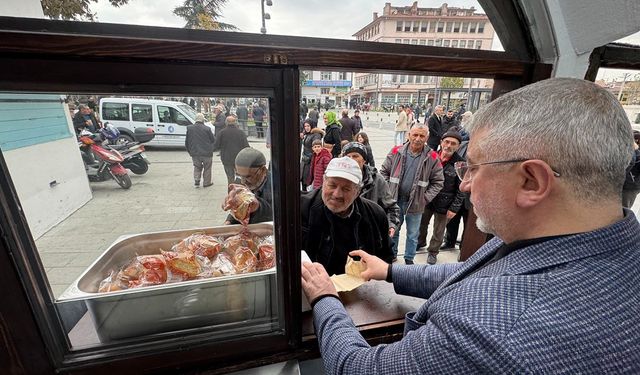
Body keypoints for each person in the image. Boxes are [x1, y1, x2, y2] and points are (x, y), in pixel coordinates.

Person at [301, 77, 640, 374]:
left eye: (474, 168)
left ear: (532, 182)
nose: (464, 184)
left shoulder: (492, 329)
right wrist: (390, 273)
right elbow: (469, 273)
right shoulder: (545, 236)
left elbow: (358, 368)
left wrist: (324, 299)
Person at [301, 157, 394, 276]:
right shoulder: (299, 210)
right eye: (332, 185)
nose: (337, 194)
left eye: (346, 189)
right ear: (324, 181)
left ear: (357, 191)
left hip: (360, 289)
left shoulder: (375, 215)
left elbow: (385, 259)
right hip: (312, 290)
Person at [380, 124, 444, 264]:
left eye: (422, 136)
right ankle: (392, 254)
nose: (418, 138)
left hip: (415, 203)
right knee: (393, 230)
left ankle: (409, 258)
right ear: (409, 135)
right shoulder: (396, 151)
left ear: (427, 137)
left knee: (413, 234)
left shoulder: (432, 156)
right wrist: (388, 192)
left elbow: (438, 182)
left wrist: (424, 198)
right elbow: (383, 172)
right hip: (395, 201)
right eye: (415, 135)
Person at [417, 131, 465, 265]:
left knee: (439, 230)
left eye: (453, 143)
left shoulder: (460, 164)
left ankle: (433, 252)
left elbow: (461, 189)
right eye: (446, 142)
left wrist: (454, 208)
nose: (448, 146)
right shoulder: (430, 156)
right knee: (422, 224)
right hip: (427, 199)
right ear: (441, 142)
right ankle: (420, 242)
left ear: (458, 146)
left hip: (446, 203)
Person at [342, 142, 400, 239]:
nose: (351, 160)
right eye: (348, 156)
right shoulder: (337, 179)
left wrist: (391, 226)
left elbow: (391, 208)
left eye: (355, 156)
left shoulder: (376, 180)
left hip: (369, 237)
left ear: (364, 160)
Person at [223, 147, 272, 225]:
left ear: (262, 170)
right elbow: (239, 208)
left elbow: (277, 214)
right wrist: (229, 221)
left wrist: (258, 206)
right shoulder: (239, 184)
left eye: (248, 176)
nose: (243, 181)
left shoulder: (278, 185)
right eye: (239, 175)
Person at [213, 115, 249, 185]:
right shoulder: (241, 133)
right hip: (239, 158)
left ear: (226, 123)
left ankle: (231, 191)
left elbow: (216, 145)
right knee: (239, 177)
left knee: (230, 177)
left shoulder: (222, 132)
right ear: (235, 122)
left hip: (226, 158)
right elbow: (246, 146)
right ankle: (239, 191)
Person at [185, 113, 215, 188]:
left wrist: (189, 151)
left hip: (195, 152)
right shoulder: (207, 129)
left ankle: (197, 181)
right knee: (207, 168)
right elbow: (213, 140)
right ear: (203, 120)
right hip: (207, 152)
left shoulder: (189, 128)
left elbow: (187, 141)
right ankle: (206, 183)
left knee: (197, 166)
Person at [300, 122, 324, 191]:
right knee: (303, 180)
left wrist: (308, 157)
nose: (306, 127)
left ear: (312, 126)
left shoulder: (316, 135)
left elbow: (316, 150)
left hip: (310, 161)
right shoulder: (307, 134)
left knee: (308, 181)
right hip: (305, 161)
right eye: (305, 126)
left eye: (308, 126)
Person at [622, 131, 640, 208]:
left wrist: (636, 151)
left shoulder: (636, 152)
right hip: (625, 184)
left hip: (631, 186)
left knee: (624, 207)